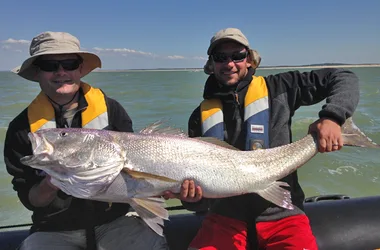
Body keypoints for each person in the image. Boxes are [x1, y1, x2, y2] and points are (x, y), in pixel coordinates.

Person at [177, 28, 360, 249]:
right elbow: (200, 203)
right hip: (224, 219)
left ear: (249, 60)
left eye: (237, 56)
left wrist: (333, 117)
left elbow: (342, 77)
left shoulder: (280, 88)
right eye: (221, 57)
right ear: (211, 64)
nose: (229, 64)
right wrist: (190, 198)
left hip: (283, 214)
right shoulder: (199, 118)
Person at [4, 31, 168, 250]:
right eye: (50, 65)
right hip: (54, 228)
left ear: (80, 69)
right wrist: (52, 182)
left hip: (116, 221)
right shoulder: (21, 129)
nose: (61, 72)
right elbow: (30, 198)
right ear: (37, 71)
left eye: (69, 63)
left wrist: (168, 187)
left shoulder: (112, 110)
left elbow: (136, 171)